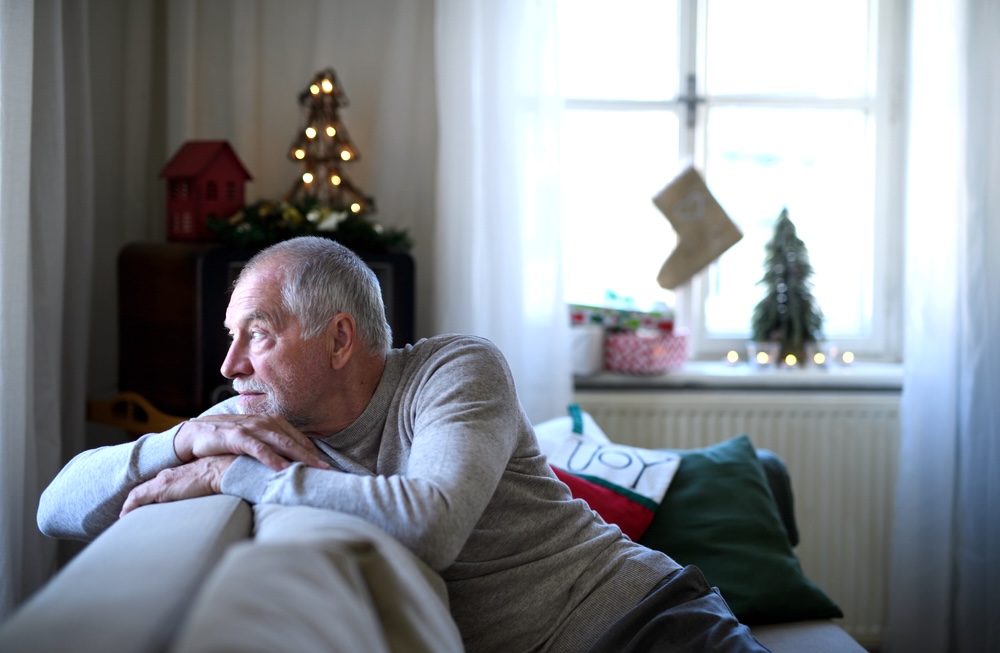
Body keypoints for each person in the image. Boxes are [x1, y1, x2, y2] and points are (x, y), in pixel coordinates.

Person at [38, 236, 768, 652]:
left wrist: (237, 475)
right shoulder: (255, 417)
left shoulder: (454, 370)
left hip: (650, 624)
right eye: (231, 338)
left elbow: (431, 521)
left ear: (339, 338)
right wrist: (181, 440)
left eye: (255, 333)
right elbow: (54, 508)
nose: (229, 365)